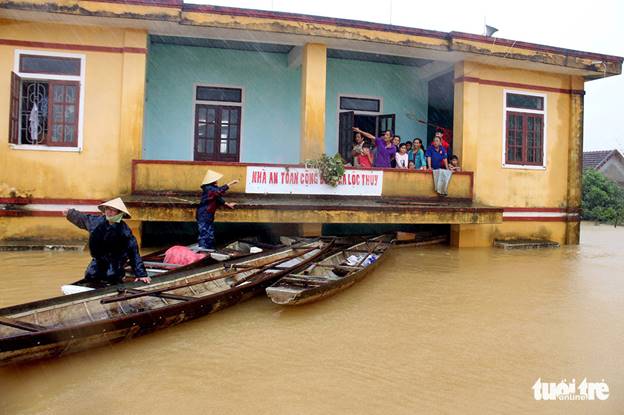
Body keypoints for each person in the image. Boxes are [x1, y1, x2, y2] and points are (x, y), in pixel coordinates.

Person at [64, 198, 151, 285]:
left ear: (120, 213)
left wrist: (141, 274)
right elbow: (83, 219)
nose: (109, 212)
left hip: (116, 261)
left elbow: (134, 254)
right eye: (107, 209)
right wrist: (70, 213)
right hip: (99, 259)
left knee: (112, 275)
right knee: (91, 275)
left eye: (112, 210)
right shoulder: (96, 222)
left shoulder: (124, 231)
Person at [197, 169, 239, 249]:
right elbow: (219, 191)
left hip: (208, 214)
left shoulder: (211, 189)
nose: (217, 181)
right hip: (204, 214)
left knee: (209, 233)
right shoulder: (209, 188)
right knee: (204, 233)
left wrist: (228, 204)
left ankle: (208, 249)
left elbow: (218, 198)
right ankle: (203, 250)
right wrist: (231, 183)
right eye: (215, 179)